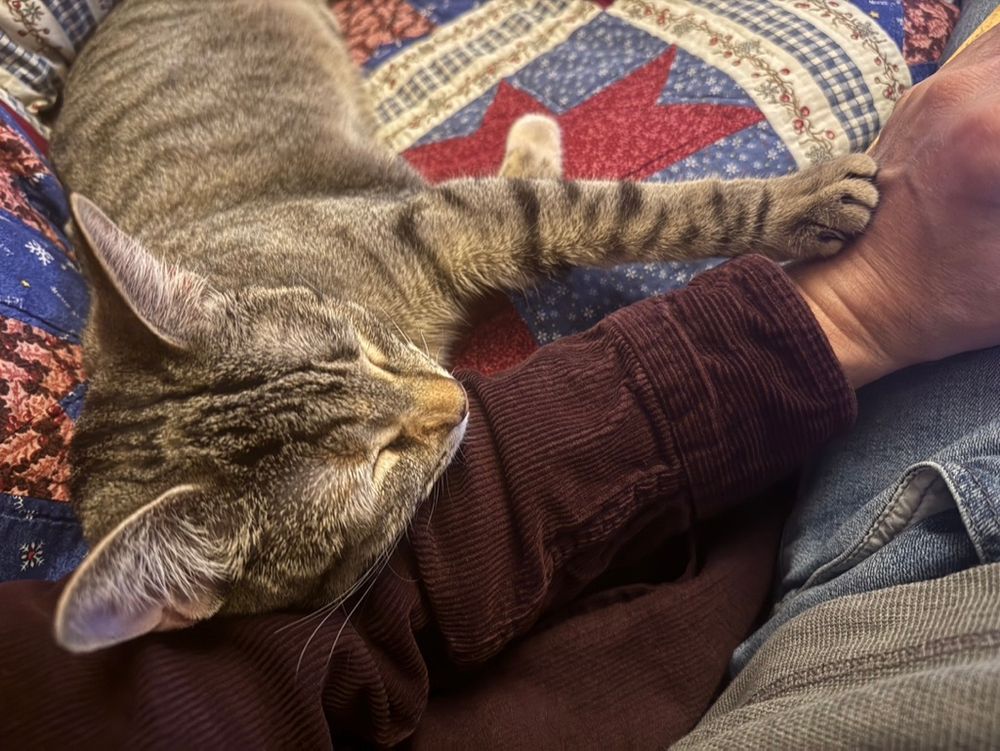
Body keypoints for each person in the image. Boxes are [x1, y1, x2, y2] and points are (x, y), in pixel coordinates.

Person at [1, 24, 999, 751]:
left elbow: (488, 223)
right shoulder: (202, 586)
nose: (442, 407)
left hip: (218, 52)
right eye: (377, 455)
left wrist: (768, 221)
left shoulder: (238, 306)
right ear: (196, 595)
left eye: (376, 372)